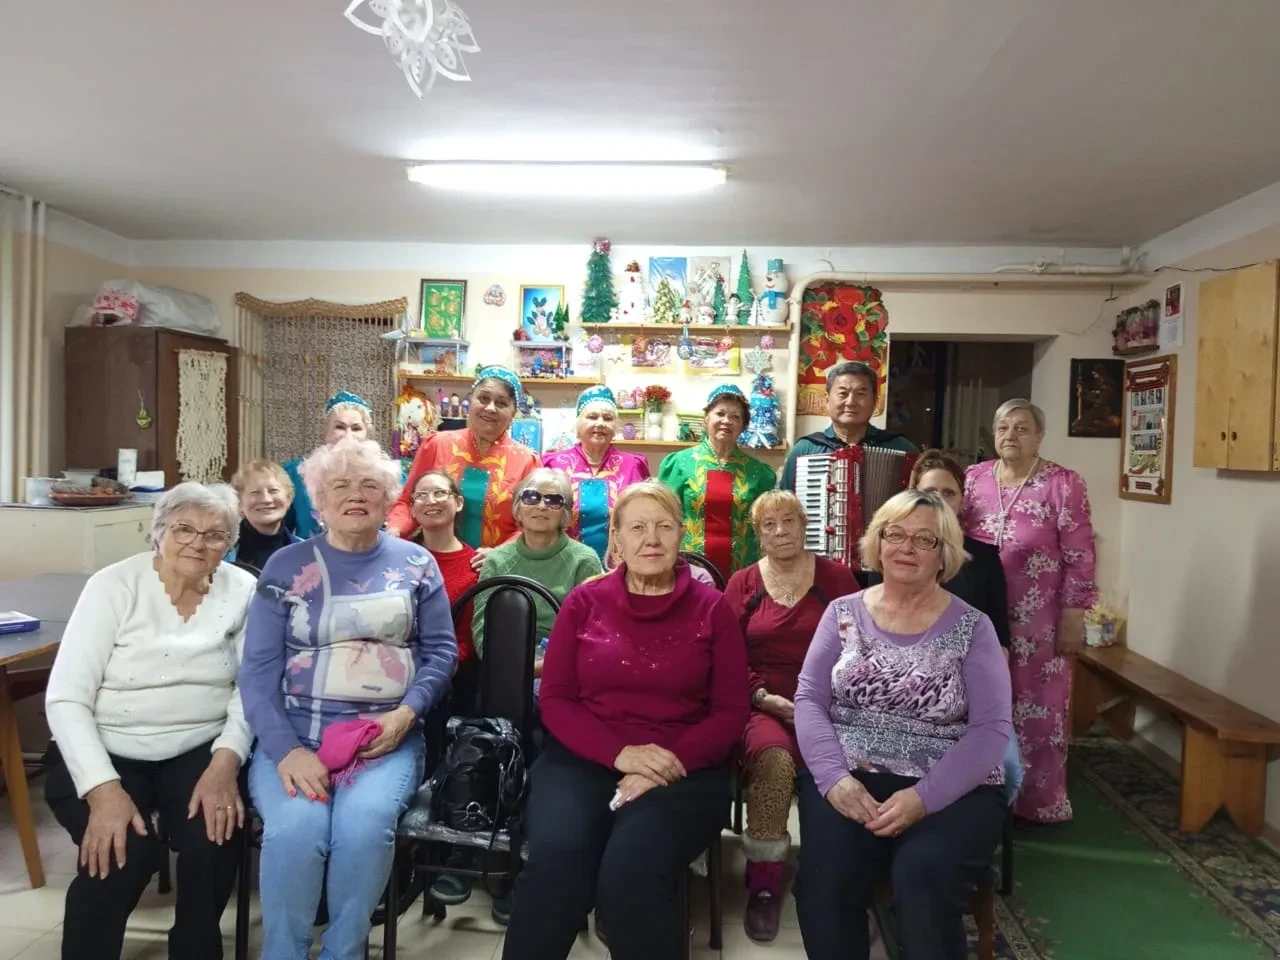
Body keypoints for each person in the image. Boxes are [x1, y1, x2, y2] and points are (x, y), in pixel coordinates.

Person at [502, 481, 749, 960]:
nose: (650, 539)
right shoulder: (584, 602)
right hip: (584, 757)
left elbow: (731, 712)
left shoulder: (712, 609)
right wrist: (621, 755)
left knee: (632, 871)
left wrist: (665, 764)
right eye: (636, 528)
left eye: (663, 527)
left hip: (683, 767)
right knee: (557, 860)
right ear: (615, 538)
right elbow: (556, 700)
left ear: (681, 534)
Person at [238, 437, 457, 960]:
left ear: (388, 498)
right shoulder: (286, 566)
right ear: (318, 500)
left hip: (384, 740)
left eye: (369, 486)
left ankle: (345, 951)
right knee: (296, 831)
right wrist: (288, 751)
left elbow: (441, 652)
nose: (355, 495)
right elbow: (257, 672)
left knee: (363, 829)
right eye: (340, 486)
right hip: (295, 736)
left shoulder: (417, 563)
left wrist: (405, 715)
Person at [793, 489, 1012, 960]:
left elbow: (992, 730)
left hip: (952, 786)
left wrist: (923, 797)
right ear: (878, 542)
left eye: (924, 539)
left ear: (944, 554)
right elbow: (809, 699)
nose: (906, 548)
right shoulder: (842, 613)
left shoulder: (974, 627)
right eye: (895, 534)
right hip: (849, 777)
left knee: (923, 879)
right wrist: (833, 779)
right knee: (824, 881)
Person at [43, 482, 256, 960]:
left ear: (230, 543)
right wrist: (102, 791)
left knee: (214, 838)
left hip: (199, 747)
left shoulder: (244, 590)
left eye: (215, 534)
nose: (198, 543)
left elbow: (252, 689)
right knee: (120, 852)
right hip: (106, 748)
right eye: (183, 529)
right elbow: (66, 698)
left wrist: (226, 763)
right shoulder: (113, 586)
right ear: (158, 532)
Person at [723, 490, 858, 943]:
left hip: (829, 704)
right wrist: (762, 696)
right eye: (769, 524)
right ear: (758, 535)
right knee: (774, 762)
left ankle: (832, 878)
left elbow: (861, 648)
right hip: (763, 703)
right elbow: (725, 655)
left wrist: (823, 700)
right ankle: (763, 884)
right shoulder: (743, 582)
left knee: (842, 769)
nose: (781, 531)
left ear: (805, 526)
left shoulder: (837, 578)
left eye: (789, 521)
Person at [961, 399, 1097, 823]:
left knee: (1039, 708)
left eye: (1022, 428)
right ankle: (982, 795)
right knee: (983, 701)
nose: (1011, 436)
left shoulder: (1063, 484)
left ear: (1039, 436)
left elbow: (1080, 555)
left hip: (1039, 618)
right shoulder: (974, 478)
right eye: (1003, 427)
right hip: (983, 611)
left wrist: (1074, 615)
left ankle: (1039, 803)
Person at [865, 448, 1010, 648]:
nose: (939, 501)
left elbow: (1000, 642)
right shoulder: (891, 551)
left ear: (962, 499)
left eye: (948, 493)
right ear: (912, 496)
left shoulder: (985, 558)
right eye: (929, 492)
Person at [388, 365, 540, 554]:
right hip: (436, 560)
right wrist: (395, 530)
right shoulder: (437, 445)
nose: (490, 408)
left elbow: (532, 522)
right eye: (483, 398)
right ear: (470, 401)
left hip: (496, 566)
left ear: (513, 414)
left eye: (501, 403)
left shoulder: (527, 462)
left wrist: (500, 553)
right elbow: (408, 502)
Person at [471, 468, 603, 668]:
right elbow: (482, 629)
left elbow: (591, 632)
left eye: (553, 500)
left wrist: (541, 668)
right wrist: (509, 666)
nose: (541, 506)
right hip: (506, 665)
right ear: (518, 508)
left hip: (564, 665)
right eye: (531, 497)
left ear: (565, 513)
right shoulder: (496, 561)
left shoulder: (584, 560)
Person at [658, 384, 776, 577]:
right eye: (720, 413)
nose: (726, 421)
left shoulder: (759, 472)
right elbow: (664, 519)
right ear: (706, 418)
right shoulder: (679, 464)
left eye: (735, 417)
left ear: (744, 425)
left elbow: (765, 526)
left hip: (742, 569)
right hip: (691, 568)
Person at [542, 385, 651, 560]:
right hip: (563, 562)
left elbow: (647, 516)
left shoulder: (633, 465)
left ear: (615, 428)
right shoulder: (553, 463)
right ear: (578, 425)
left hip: (620, 564)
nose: (600, 423)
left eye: (607, 418)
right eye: (592, 417)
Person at [779, 361, 918, 491]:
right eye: (842, 394)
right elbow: (786, 504)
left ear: (875, 402)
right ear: (827, 401)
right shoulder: (804, 450)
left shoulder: (902, 449)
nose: (851, 402)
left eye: (860, 394)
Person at [409, 469, 479, 696]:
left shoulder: (475, 566)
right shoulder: (397, 557)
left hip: (444, 680)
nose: (431, 501)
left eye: (440, 493)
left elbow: (467, 642)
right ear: (412, 508)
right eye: (421, 495)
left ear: (458, 503)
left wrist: (431, 674)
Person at [283, 390, 374, 539]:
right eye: (340, 427)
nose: (348, 435)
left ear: (367, 434)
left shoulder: (384, 476)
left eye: (356, 428)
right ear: (326, 432)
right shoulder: (297, 474)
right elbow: (280, 532)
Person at [226, 459, 301, 571]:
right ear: (239, 503)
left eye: (273, 491)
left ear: (289, 498)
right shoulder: (222, 552)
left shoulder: (308, 551)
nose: (266, 499)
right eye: (255, 493)